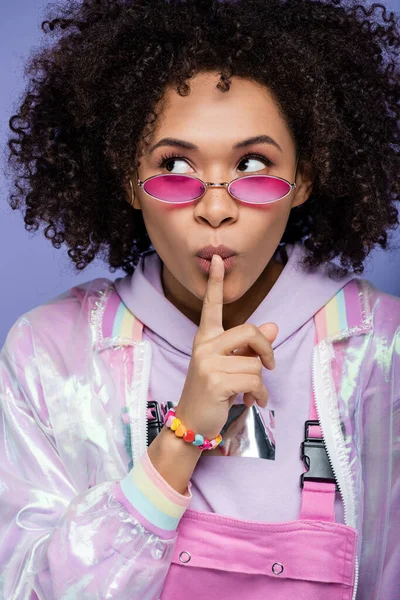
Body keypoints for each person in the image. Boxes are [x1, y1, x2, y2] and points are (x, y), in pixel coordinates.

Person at [1, 0, 399, 598]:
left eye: (255, 164)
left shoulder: (382, 350)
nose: (216, 208)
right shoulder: (50, 356)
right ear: (128, 178)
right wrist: (181, 440)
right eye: (176, 165)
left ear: (306, 178)